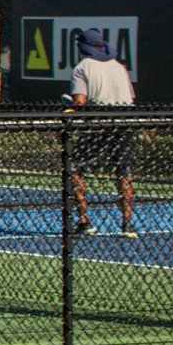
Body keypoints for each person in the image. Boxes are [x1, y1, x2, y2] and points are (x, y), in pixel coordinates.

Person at [67, 27, 137, 237]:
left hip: (98, 125)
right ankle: (127, 224)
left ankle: (85, 222)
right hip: (124, 123)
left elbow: (79, 103)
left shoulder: (82, 67)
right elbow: (129, 98)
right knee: (123, 171)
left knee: (74, 168)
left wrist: (70, 106)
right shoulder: (120, 67)